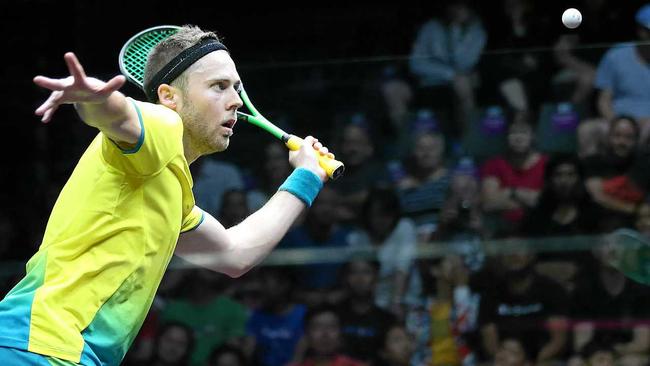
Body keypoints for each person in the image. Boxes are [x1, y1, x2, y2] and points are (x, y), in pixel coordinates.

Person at [0, 25, 333, 366]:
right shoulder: (162, 123)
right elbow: (120, 115)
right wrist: (95, 99)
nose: (234, 100)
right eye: (218, 87)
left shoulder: (173, 190)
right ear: (169, 96)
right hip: (38, 347)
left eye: (236, 88)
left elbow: (235, 254)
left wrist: (306, 176)